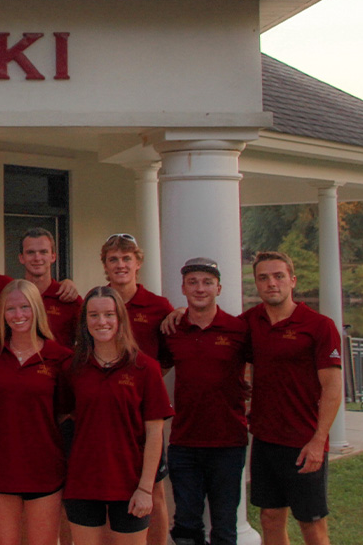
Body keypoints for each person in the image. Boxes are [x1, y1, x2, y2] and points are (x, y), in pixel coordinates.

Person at [244, 251, 342, 545]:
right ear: (256, 283)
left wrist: (318, 440)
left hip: (304, 442)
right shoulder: (250, 321)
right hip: (264, 439)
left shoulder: (319, 325)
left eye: (278, 276)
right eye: (263, 277)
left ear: (292, 281)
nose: (271, 283)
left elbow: (333, 389)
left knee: (311, 525)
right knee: (269, 518)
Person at [63, 286, 173, 545]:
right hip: (83, 483)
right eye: (94, 315)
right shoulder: (72, 368)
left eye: (109, 315)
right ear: (85, 321)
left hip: (130, 484)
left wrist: (146, 488)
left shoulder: (145, 368)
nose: (102, 322)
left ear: (120, 318)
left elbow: (155, 433)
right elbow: (64, 419)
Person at [157, 257, 249, 545]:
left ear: (219, 288)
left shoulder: (238, 329)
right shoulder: (172, 330)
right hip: (185, 443)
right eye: (193, 282)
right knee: (186, 524)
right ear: (183, 288)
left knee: (224, 526)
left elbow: (266, 366)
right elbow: (156, 372)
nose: (200, 289)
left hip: (228, 443)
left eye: (207, 282)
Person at [0, 280, 72, 545]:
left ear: (37, 310)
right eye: (11, 309)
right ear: (2, 314)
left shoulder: (60, 357)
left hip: (45, 469)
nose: (18, 315)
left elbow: (66, 414)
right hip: (1, 467)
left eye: (25, 307)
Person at [99, 233, 172, 545]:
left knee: (153, 486)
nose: (120, 265)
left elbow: (167, 359)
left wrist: (144, 385)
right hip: (103, 410)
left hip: (143, 414)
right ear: (104, 265)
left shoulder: (158, 306)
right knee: (102, 486)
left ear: (138, 262)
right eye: (113, 259)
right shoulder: (96, 301)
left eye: (126, 258)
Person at [17, 227, 81, 348]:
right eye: (30, 252)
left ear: (53, 257)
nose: (37, 258)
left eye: (43, 252)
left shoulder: (68, 297)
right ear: (21, 258)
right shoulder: (12, 297)